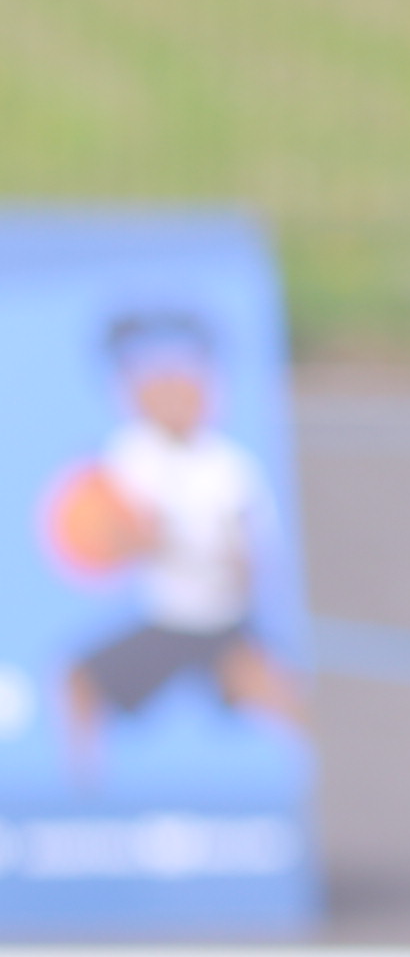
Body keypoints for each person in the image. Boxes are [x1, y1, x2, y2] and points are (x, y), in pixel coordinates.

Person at [58, 311, 302, 776]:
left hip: (222, 621)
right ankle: (83, 793)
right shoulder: (131, 452)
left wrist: (229, 563)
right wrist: (135, 538)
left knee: (274, 693)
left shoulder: (229, 470)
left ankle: (337, 777)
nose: (172, 401)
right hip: (167, 620)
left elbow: (249, 562)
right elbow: (111, 528)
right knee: (78, 681)